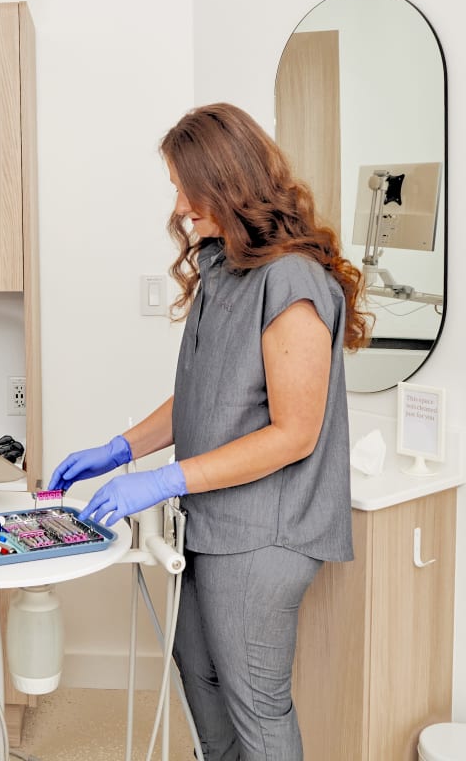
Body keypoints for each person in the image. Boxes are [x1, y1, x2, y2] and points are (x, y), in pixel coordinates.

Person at [49, 102, 370, 761]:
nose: (178, 206)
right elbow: (206, 393)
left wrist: (164, 480)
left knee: (256, 706)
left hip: (264, 531)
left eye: (185, 187)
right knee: (197, 674)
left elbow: (295, 433)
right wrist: (121, 449)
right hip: (211, 518)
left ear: (227, 182)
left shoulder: (290, 279)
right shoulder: (225, 266)